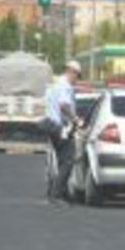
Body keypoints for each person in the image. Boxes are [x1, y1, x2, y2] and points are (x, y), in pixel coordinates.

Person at [44, 60, 82, 204]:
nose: (77, 80)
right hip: (59, 127)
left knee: (62, 160)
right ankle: (56, 195)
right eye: (77, 76)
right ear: (71, 72)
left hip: (52, 125)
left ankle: (62, 193)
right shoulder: (65, 86)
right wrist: (76, 119)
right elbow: (64, 106)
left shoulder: (57, 84)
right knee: (68, 160)